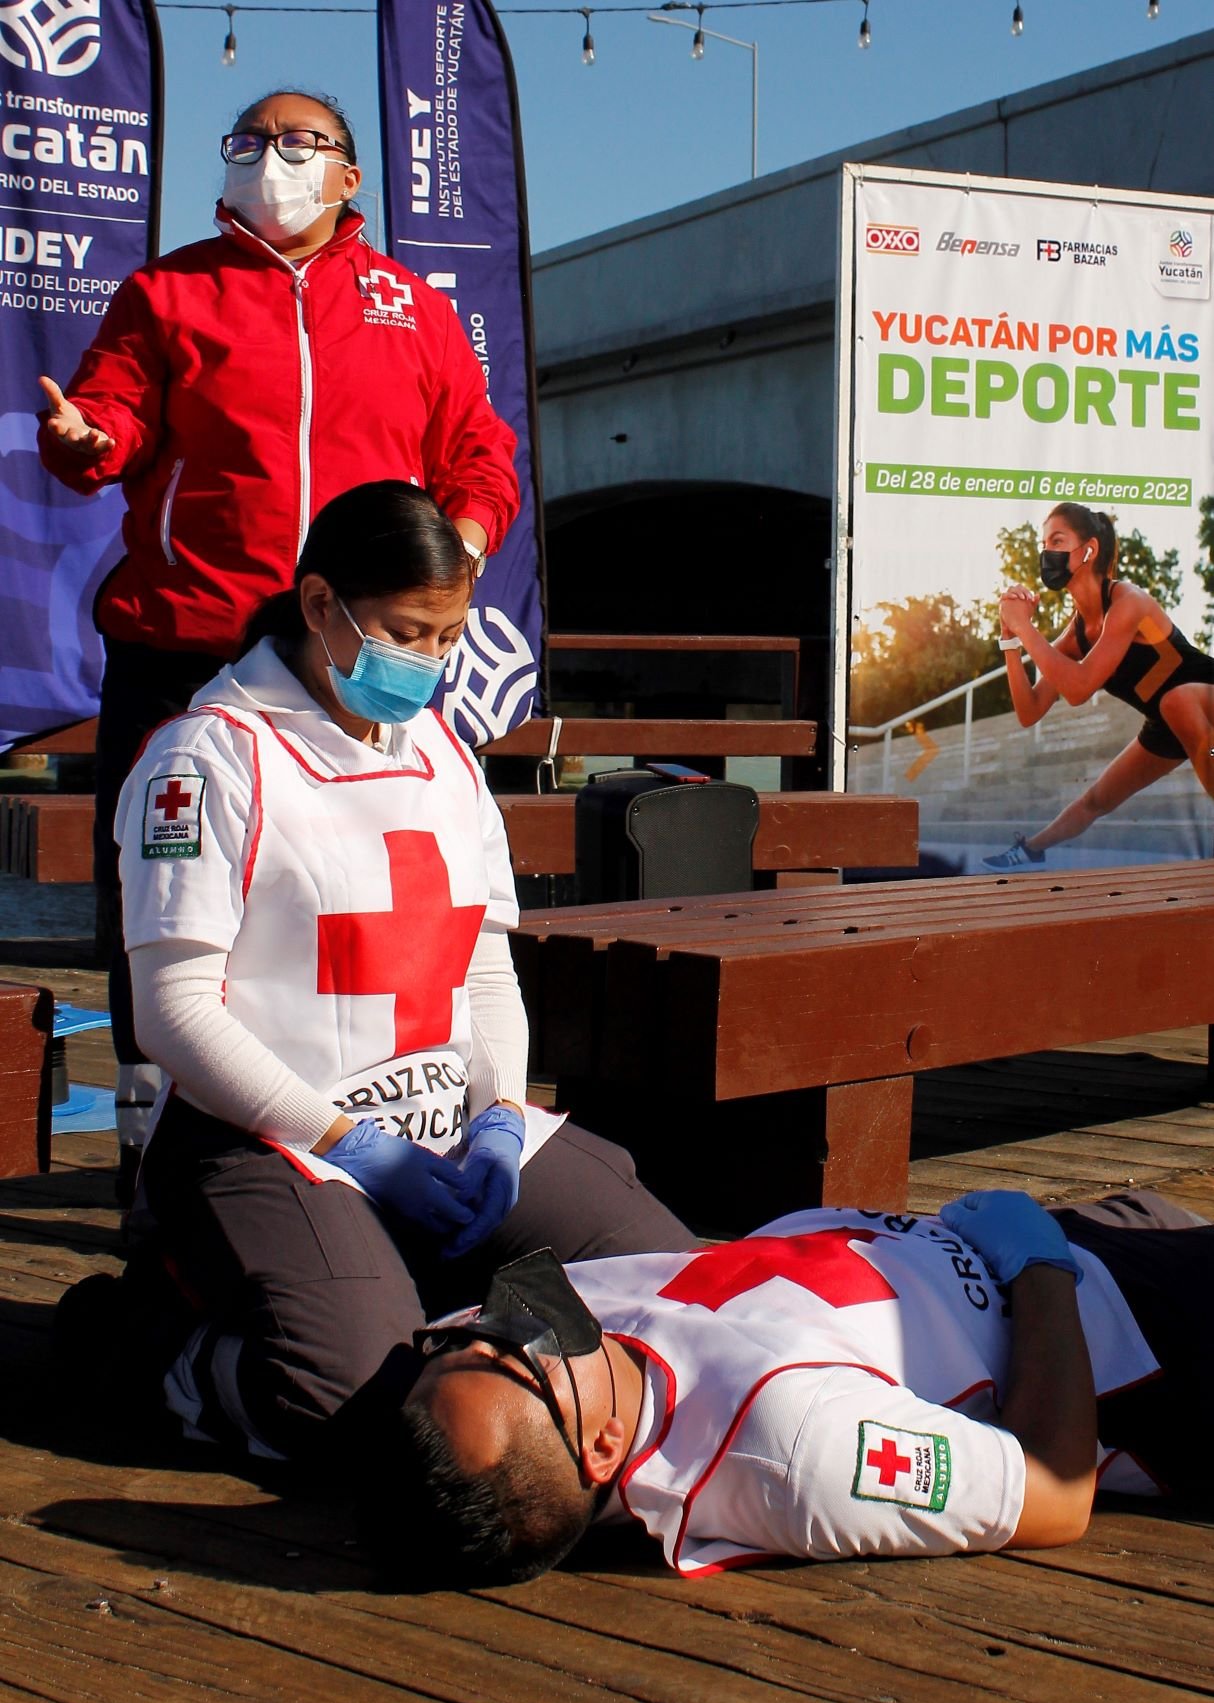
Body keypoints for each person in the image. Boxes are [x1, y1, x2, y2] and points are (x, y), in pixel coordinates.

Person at [55, 480, 694, 1463]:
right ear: (320, 605)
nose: (430, 664)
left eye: (449, 637)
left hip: (444, 1130)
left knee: (681, 1291)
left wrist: (499, 1116)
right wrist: (353, 1144)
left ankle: (398, 1284)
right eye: (407, 632)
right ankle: (142, 1343)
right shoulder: (206, 758)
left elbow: (482, 962)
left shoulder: (443, 750)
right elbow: (173, 1014)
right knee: (360, 1406)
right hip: (273, 1139)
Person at [37, 88, 521, 1197]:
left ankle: (386, 1135)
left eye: (301, 143)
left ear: (351, 177)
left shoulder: (410, 304)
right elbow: (113, 418)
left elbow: (479, 452)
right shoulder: (169, 288)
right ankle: (156, 1159)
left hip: (354, 656)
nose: (272, 158)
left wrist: (461, 540)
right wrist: (86, 438)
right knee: (162, 915)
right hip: (187, 648)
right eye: (250, 140)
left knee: (376, 897)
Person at [383, 1187, 1212, 1588]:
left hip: (1046, 1246)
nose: (501, 1325)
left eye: (465, 1344)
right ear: (603, 1448)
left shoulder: (557, 1369)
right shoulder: (790, 1447)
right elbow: (1054, 1495)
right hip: (1142, 1337)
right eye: (516, 1356)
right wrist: (1035, 1264)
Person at [982, 503, 1214, 871]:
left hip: (1204, 694)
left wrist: (1027, 629)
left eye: (1057, 540)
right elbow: (1029, 711)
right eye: (1044, 543)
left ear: (1088, 550)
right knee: (1096, 799)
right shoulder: (1076, 635)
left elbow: (1079, 688)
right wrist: (1010, 638)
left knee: (1177, 700)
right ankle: (1030, 851)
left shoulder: (1128, 601)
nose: (1047, 553)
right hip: (1167, 719)